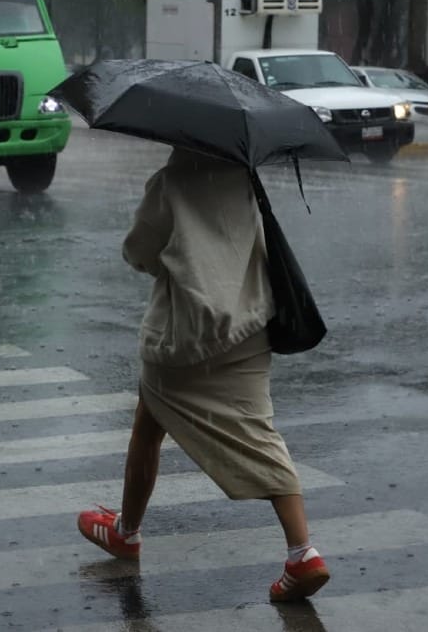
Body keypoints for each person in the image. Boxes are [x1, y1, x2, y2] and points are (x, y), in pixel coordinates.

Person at [76, 148, 330, 603]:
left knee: (147, 428)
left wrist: (174, 259)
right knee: (261, 435)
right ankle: (302, 552)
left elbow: (139, 251)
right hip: (249, 328)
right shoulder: (242, 175)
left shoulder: (171, 182)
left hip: (183, 337)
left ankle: (127, 533)